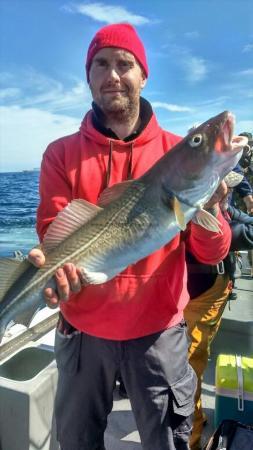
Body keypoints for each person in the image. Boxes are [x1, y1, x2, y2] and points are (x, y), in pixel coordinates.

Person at [28, 23, 232, 450]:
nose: (112, 75)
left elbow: (213, 250)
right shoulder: (60, 153)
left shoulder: (176, 151)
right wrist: (54, 277)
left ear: (144, 75)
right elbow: (53, 233)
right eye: (100, 64)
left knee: (167, 442)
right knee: (77, 442)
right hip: (83, 334)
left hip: (159, 334)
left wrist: (208, 208)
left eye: (125, 64)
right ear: (88, 77)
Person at [184, 174, 253, 450]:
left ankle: (191, 435)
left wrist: (226, 210)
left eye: (226, 190)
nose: (222, 193)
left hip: (207, 292)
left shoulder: (223, 217)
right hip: (178, 294)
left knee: (190, 363)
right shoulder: (182, 207)